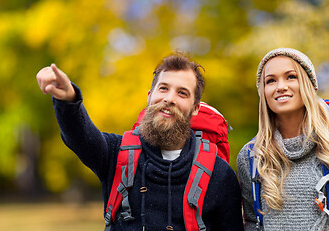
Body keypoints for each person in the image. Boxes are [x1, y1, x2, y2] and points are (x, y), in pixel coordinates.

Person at [37, 52, 244, 230]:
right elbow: (80, 136)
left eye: (182, 93)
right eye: (163, 88)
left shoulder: (219, 174)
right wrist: (68, 98)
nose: (169, 98)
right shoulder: (116, 154)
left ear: (195, 108)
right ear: (150, 95)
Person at [237, 48, 329, 230]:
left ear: (308, 84)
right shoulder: (251, 157)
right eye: (270, 81)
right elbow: (251, 223)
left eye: (291, 77)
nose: (280, 87)